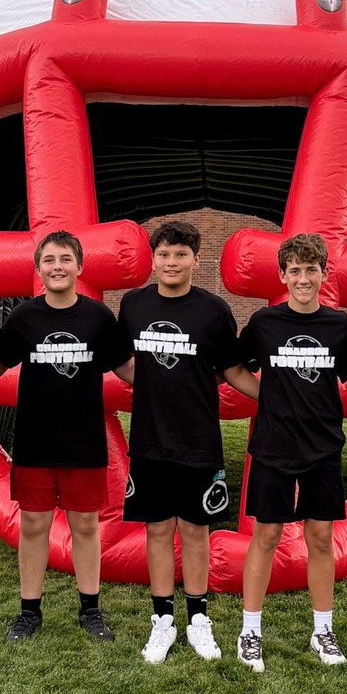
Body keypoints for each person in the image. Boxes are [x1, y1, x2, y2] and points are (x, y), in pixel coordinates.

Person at [0, 231, 133, 643]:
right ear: (38, 268)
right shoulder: (25, 318)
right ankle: (29, 611)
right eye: (49, 260)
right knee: (34, 526)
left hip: (84, 441)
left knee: (85, 526)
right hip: (35, 441)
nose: (57, 266)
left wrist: (171, 382)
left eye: (65, 259)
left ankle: (91, 609)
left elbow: (126, 368)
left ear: (80, 267)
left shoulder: (98, 317)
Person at [224, 233, 347, 673]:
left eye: (311, 269)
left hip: (323, 447)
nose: (303, 278)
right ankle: (250, 631)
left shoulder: (339, 326)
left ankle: (322, 630)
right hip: (273, 446)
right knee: (265, 537)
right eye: (295, 270)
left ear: (324, 273)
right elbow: (231, 368)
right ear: (283, 276)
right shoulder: (265, 323)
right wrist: (266, 396)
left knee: (320, 539)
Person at [118, 220, 242, 664]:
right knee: (157, 529)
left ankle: (198, 619)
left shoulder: (214, 311)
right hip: (150, 438)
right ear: (154, 259)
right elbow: (120, 361)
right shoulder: (133, 305)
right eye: (164, 255)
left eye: (181, 255)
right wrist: (149, 382)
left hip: (198, 438)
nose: (172, 262)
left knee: (195, 529)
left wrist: (280, 397)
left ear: (195, 259)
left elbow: (231, 370)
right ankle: (162, 620)